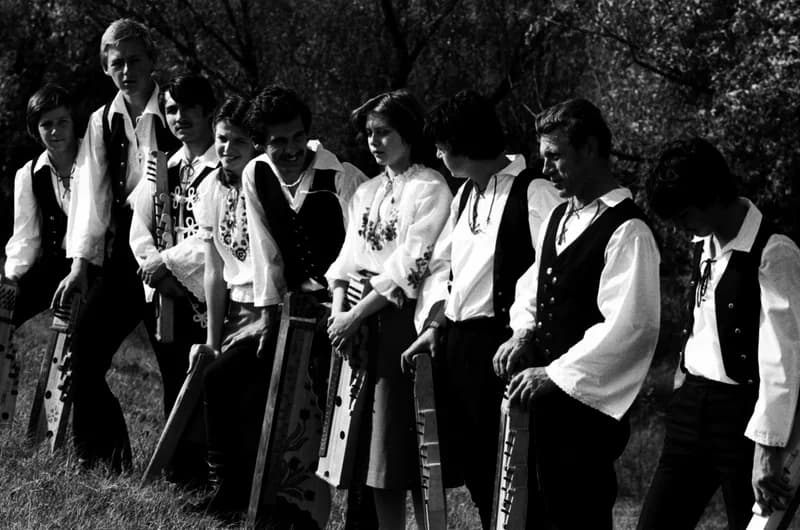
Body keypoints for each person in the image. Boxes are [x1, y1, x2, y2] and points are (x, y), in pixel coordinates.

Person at [492, 98, 661, 529]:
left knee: (579, 514)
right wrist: (522, 332)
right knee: (538, 512)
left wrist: (555, 374)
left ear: (589, 149)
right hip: (544, 405)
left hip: (586, 406)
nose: (546, 169)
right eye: (542, 156)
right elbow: (534, 283)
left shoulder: (628, 231)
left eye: (555, 156)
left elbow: (630, 326)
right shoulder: (559, 216)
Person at [400, 89, 562, 529]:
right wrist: (435, 326)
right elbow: (450, 273)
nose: (437, 154)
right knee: (476, 466)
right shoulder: (466, 195)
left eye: (442, 145)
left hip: (505, 347)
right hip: (460, 346)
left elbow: (553, 276)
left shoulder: (536, 193)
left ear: (465, 144)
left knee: (516, 473)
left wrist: (526, 337)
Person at [637, 138, 800, 529]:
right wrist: (683, 371)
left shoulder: (774, 252)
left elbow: (785, 359)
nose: (680, 226)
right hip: (692, 407)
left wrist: (769, 445)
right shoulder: (703, 242)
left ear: (712, 196)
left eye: (684, 214)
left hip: (744, 416)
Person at [190, 95, 331, 528]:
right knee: (221, 379)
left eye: (296, 138)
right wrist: (230, 332)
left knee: (297, 410)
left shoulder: (319, 179)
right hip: (261, 311)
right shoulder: (235, 181)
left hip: (310, 310)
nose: (289, 150)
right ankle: (230, 491)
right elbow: (239, 260)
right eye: (220, 140)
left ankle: (289, 504)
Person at [53, 18, 181, 472]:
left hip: (176, 253)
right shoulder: (101, 121)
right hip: (124, 252)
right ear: (106, 69)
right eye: (116, 64)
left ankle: (181, 472)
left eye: (134, 60)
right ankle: (106, 460)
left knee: (176, 365)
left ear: (153, 61)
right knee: (84, 354)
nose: (126, 71)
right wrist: (80, 263)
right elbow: (91, 196)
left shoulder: (177, 109)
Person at [326, 89, 453, 530]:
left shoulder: (431, 186)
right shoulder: (366, 190)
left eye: (384, 132)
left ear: (408, 133)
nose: (374, 142)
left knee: (401, 449)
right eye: (369, 134)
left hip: (400, 323)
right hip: (357, 327)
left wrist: (357, 313)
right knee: (371, 459)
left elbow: (411, 264)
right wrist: (339, 314)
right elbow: (347, 257)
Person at [128, 73, 219, 486]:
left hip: (209, 294)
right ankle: (181, 473)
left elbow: (213, 236)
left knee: (208, 384)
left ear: (206, 112)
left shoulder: (225, 166)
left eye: (186, 109)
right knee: (172, 378)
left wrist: (167, 263)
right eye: (170, 109)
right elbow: (140, 226)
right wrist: (153, 266)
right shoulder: (164, 165)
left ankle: (214, 475)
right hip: (167, 296)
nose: (178, 117)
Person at [3, 84, 80, 327]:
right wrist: (12, 277)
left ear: (73, 121)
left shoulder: (95, 158)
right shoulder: (29, 174)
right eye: (47, 124)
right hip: (54, 265)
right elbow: (26, 234)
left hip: (96, 266)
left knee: (74, 337)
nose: (56, 131)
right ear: (35, 129)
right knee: (4, 312)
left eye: (62, 122)